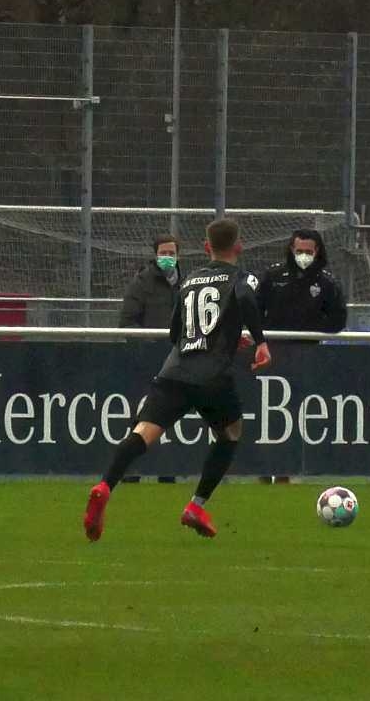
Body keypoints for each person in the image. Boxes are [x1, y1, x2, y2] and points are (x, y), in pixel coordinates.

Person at [84, 218, 271, 541]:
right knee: (230, 433)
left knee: (143, 433)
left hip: (175, 371)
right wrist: (260, 341)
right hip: (212, 375)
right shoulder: (242, 277)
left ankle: (105, 485)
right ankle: (196, 505)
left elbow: (175, 332)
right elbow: (244, 298)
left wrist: (218, 336)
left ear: (206, 247)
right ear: (239, 247)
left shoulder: (189, 280)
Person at [257, 229, 347, 333]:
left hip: (308, 341)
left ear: (316, 250)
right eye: (299, 251)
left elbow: (338, 319)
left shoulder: (326, 282)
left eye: (308, 252)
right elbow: (256, 308)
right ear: (292, 249)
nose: (303, 256)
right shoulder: (273, 276)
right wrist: (265, 330)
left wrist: (312, 329)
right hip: (274, 339)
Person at [119, 234, 180, 328]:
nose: (167, 257)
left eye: (171, 253)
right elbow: (127, 322)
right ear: (156, 256)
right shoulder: (141, 282)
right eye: (163, 253)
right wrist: (147, 337)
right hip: (152, 337)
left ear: (178, 256)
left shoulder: (186, 282)